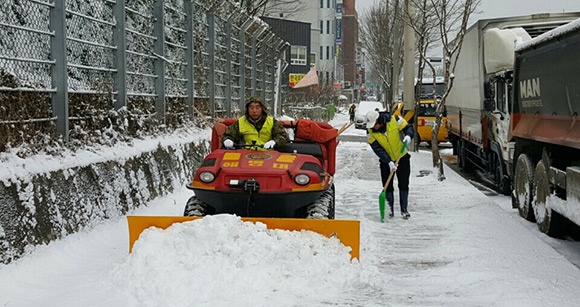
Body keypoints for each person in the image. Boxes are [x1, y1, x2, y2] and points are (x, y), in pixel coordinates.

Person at [364, 109, 414, 218]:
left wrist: (408, 135)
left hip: (402, 156)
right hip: (386, 161)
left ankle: (404, 209)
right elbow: (377, 149)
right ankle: (389, 209)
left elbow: (408, 127)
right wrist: (388, 161)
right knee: (387, 185)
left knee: (404, 183)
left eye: (374, 125)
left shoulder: (395, 120)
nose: (372, 127)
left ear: (379, 121)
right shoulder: (370, 131)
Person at [221, 96, 289, 150]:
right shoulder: (240, 122)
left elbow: (283, 136)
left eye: (257, 107)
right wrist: (227, 140)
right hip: (246, 155)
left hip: (268, 155)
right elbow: (227, 135)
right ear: (247, 109)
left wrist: (274, 142)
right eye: (251, 108)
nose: (254, 111)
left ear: (262, 109)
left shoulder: (271, 122)